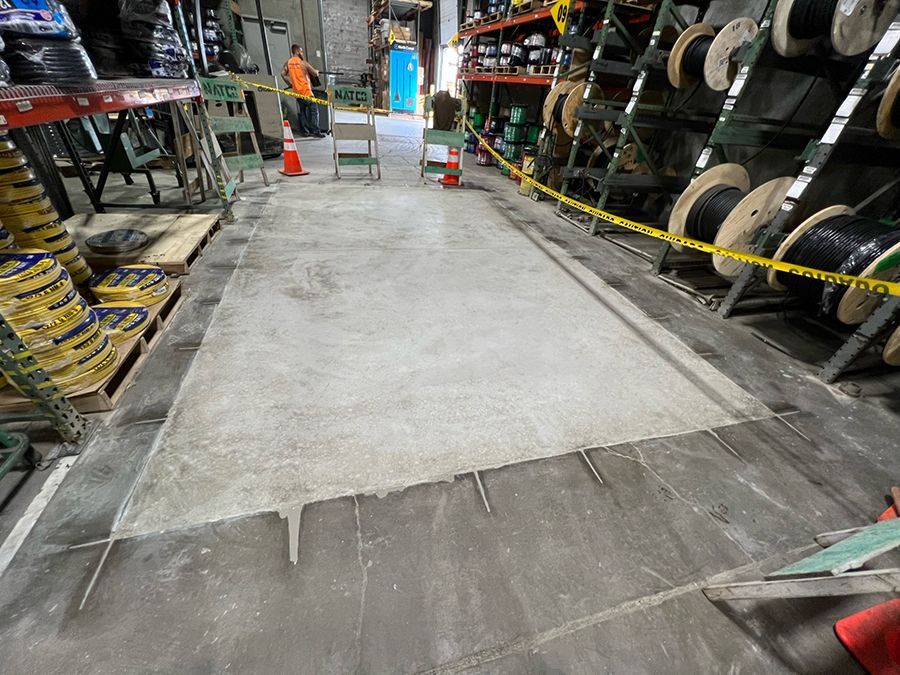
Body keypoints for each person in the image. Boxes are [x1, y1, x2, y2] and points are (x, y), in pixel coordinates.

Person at [282, 44, 323, 138]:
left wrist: (290, 84)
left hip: (297, 93)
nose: (302, 53)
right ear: (297, 51)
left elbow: (282, 74)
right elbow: (314, 73)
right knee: (314, 111)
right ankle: (315, 131)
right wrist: (316, 71)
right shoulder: (303, 63)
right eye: (301, 51)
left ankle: (305, 131)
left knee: (302, 112)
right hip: (307, 92)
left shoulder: (288, 63)